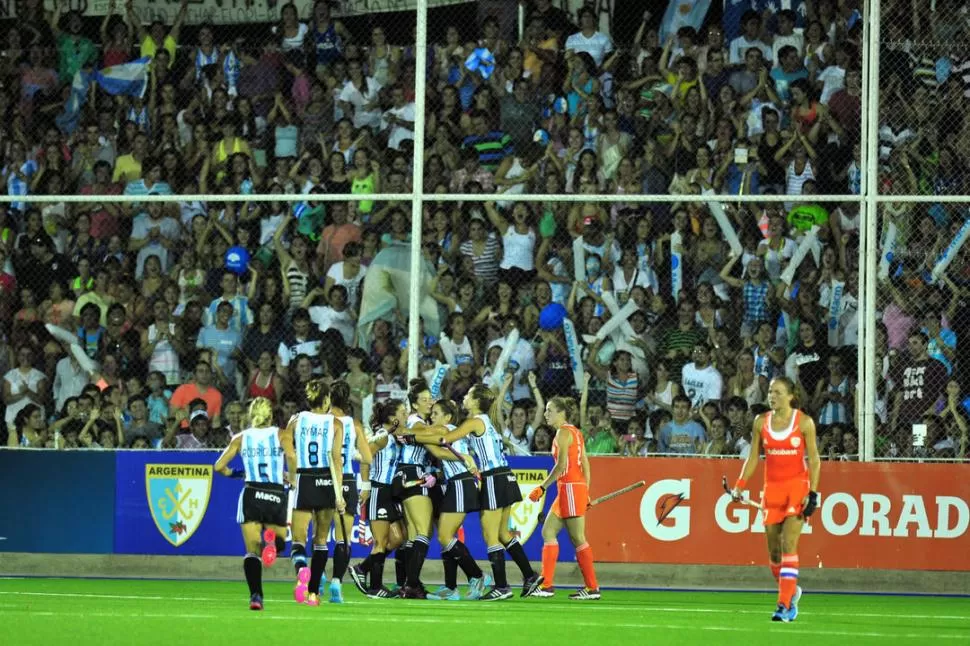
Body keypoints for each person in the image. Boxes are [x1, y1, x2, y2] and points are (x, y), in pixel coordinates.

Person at [441, 384, 544, 601]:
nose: (465, 398)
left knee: (490, 535)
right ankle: (529, 575)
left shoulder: (474, 421)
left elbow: (447, 439)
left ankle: (502, 586)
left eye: (468, 395)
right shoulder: (487, 421)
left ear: (477, 401)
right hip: (505, 475)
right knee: (503, 534)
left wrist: (435, 429)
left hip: (493, 478)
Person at [730, 377, 821, 623]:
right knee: (774, 553)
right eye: (770, 392)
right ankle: (791, 591)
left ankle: (784, 606)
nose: (772, 396)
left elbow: (814, 459)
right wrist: (739, 486)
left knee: (789, 545)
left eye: (778, 392)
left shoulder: (804, 422)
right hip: (772, 491)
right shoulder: (761, 422)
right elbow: (753, 458)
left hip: (797, 489)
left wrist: (813, 493)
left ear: (791, 396)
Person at [213, 397, 295, 611]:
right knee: (280, 542)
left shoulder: (241, 438)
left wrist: (235, 473)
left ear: (250, 415)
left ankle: (256, 596)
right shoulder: (281, 434)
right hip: (275, 494)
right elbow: (292, 456)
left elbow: (219, 466)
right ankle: (272, 542)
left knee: (251, 551)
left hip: (251, 493)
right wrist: (291, 477)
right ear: (271, 415)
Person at [527, 390, 600, 600]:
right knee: (548, 532)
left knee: (578, 538)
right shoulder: (575, 431)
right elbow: (585, 462)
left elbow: (561, 467)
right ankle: (547, 584)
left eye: (550, 411)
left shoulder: (562, 433)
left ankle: (592, 588)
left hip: (568, 487)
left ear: (561, 413)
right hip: (572, 488)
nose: (546, 414)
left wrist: (542, 488)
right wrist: (585, 490)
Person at [286, 379, 347, 607]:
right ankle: (313, 594)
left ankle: (302, 569)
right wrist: (339, 495)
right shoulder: (335, 424)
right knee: (321, 540)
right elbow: (336, 461)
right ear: (327, 399)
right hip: (325, 480)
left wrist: (291, 474)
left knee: (299, 537)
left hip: (304, 477)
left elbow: (287, 447)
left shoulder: (296, 419)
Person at [424, 398, 490, 601]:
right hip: (456, 483)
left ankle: (478, 575)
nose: (431, 417)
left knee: (445, 536)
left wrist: (410, 435)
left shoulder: (446, 430)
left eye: (436, 413)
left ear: (447, 417)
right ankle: (451, 587)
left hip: (461, 483)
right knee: (447, 536)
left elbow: (437, 452)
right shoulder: (448, 430)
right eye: (431, 413)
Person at [352, 399, 408, 598]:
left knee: (399, 537)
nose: (406, 415)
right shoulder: (383, 436)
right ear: (393, 418)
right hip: (378, 490)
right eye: (403, 412)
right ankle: (375, 587)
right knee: (381, 541)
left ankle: (362, 568)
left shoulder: (392, 436)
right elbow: (365, 456)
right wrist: (366, 486)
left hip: (389, 493)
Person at [326, 380, 373, 602]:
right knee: (343, 538)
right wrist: (352, 453)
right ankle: (336, 581)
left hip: (322, 479)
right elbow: (368, 457)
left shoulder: (322, 421)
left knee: (317, 535)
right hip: (345, 479)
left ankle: (314, 581)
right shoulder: (353, 424)